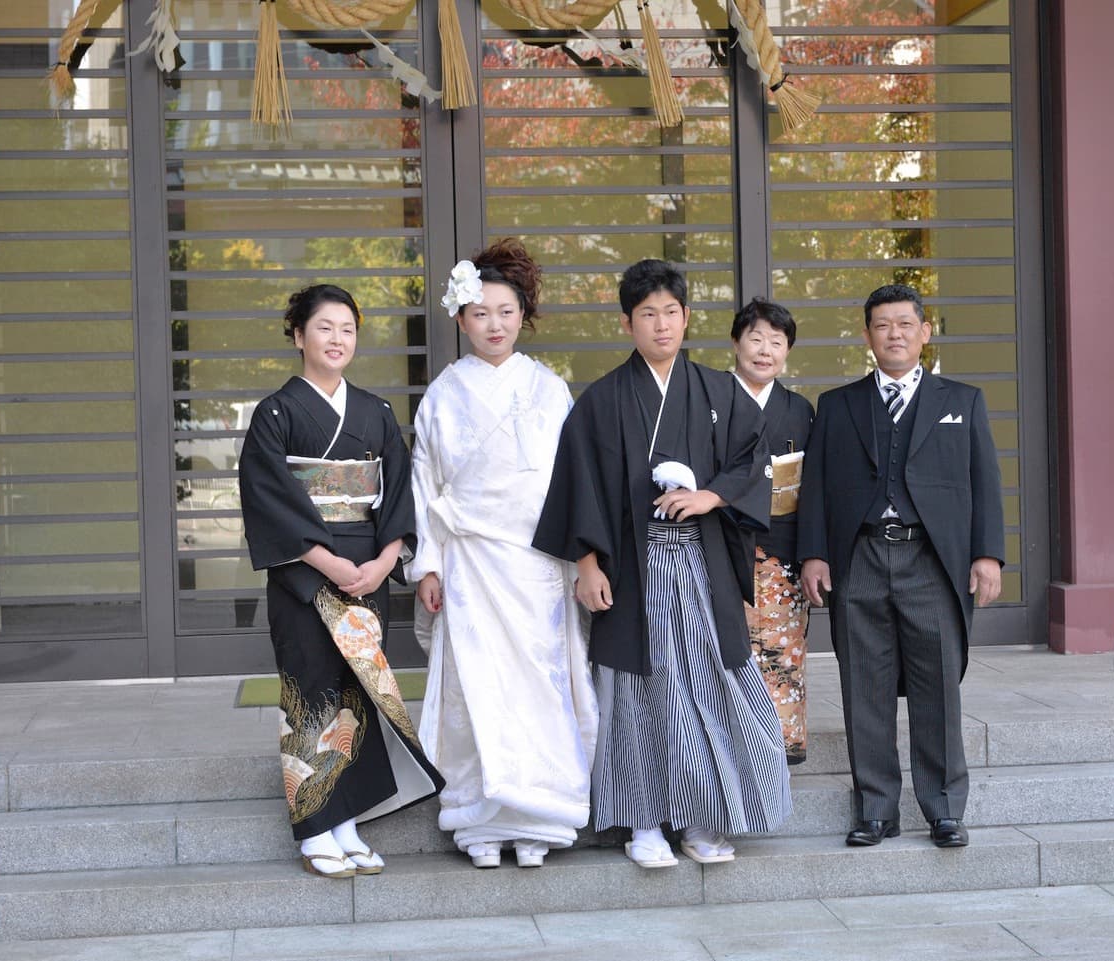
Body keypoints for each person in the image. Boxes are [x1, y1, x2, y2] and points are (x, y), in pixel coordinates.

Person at [532, 259, 792, 868]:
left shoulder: (718, 391)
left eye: (671, 312)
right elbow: (581, 485)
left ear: (687, 317)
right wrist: (588, 564)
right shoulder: (600, 402)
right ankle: (643, 822)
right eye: (647, 314)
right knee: (637, 693)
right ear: (627, 322)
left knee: (710, 688)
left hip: (700, 568)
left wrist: (712, 495)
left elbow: (755, 460)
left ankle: (703, 819)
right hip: (632, 570)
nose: (661, 324)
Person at [238, 284, 443, 879]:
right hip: (306, 574)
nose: (337, 339)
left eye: (347, 329)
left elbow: (399, 495)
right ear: (299, 336)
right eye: (324, 328)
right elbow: (268, 500)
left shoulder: (376, 413)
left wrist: (385, 561)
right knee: (312, 691)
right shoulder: (275, 414)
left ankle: (347, 820)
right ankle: (314, 829)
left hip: (367, 572)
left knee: (357, 696)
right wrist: (328, 564)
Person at [408, 240, 596, 869]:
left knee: (540, 685)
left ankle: (541, 817)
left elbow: (572, 480)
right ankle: (477, 819)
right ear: (460, 319)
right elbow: (425, 482)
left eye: (506, 311)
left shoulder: (549, 388)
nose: (494, 324)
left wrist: (580, 558)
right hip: (470, 562)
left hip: (536, 562)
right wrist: (428, 562)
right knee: (476, 688)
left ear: (524, 316)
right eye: (481, 313)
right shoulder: (442, 393)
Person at [798, 283, 1004, 850]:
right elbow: (814, 486)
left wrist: (987, 554)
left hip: (931, 559)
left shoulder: (962, 402)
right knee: (863, 683)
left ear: (924, 332)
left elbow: (984, 483)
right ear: (867, 336)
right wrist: (814, 552)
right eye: (882, 325)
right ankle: (874, 810)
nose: (894, 334)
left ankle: (943, 809)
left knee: (938, 683)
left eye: (905, 324)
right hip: (859, 555)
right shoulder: (837, 406)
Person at [730, 297, 815, 764]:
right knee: (725, 656)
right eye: (756, 338)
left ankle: (780, 746)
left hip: (782, 551)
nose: (765, 350)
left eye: (776, 342)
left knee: (784, 654)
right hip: (720, 549)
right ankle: (734, 746)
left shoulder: (799, 410)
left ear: (787, 351)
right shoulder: (710, 400)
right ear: (736, 343)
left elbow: (814, 489)